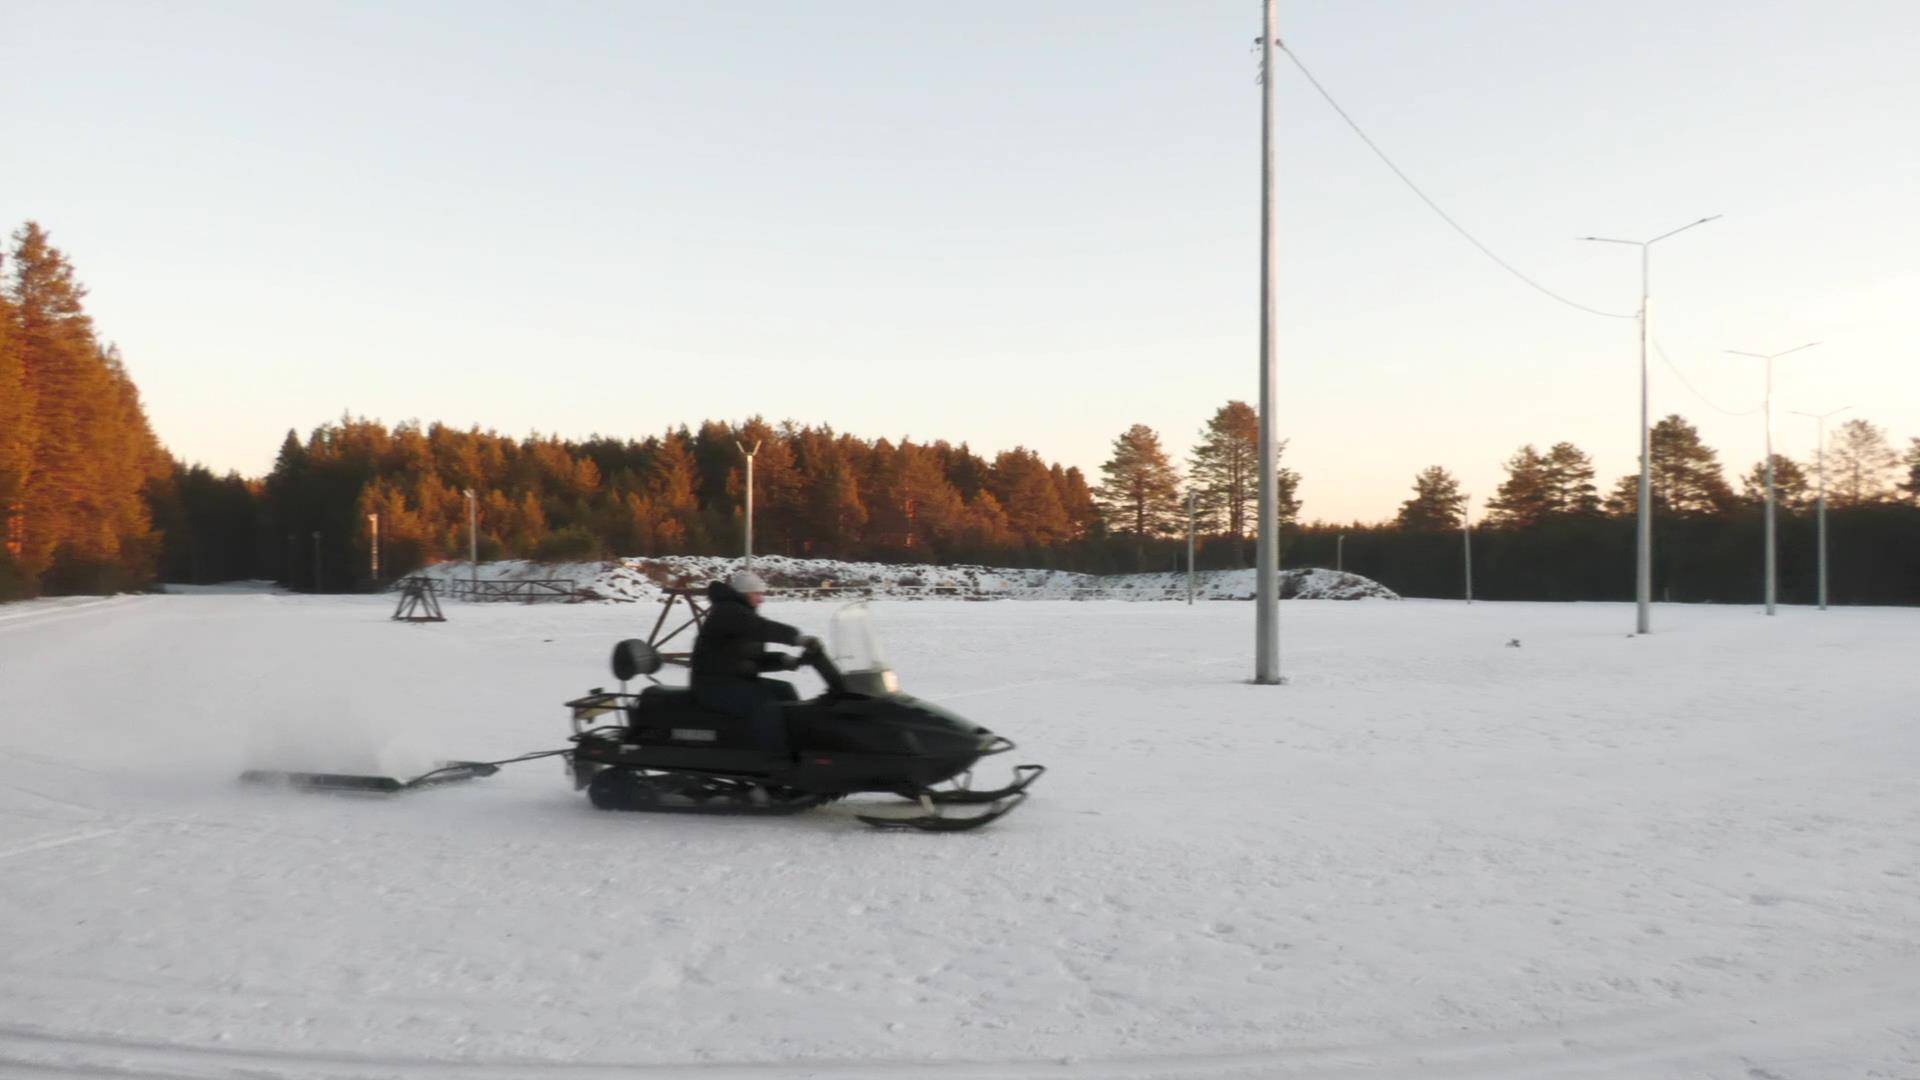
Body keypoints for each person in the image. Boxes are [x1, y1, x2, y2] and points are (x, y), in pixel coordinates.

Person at [689, 570, 819, 757]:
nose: (761, 599)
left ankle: (796, 747)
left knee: (785, 692)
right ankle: (773, 762)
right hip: (712, 685)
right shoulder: (728, 611)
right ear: (744, 594)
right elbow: (762, 628)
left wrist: (784, 660)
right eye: (757, 594)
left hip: (733, 681)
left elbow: (752, 659)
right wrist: (797, 638)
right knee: (765, 705)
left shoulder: (741, 614)